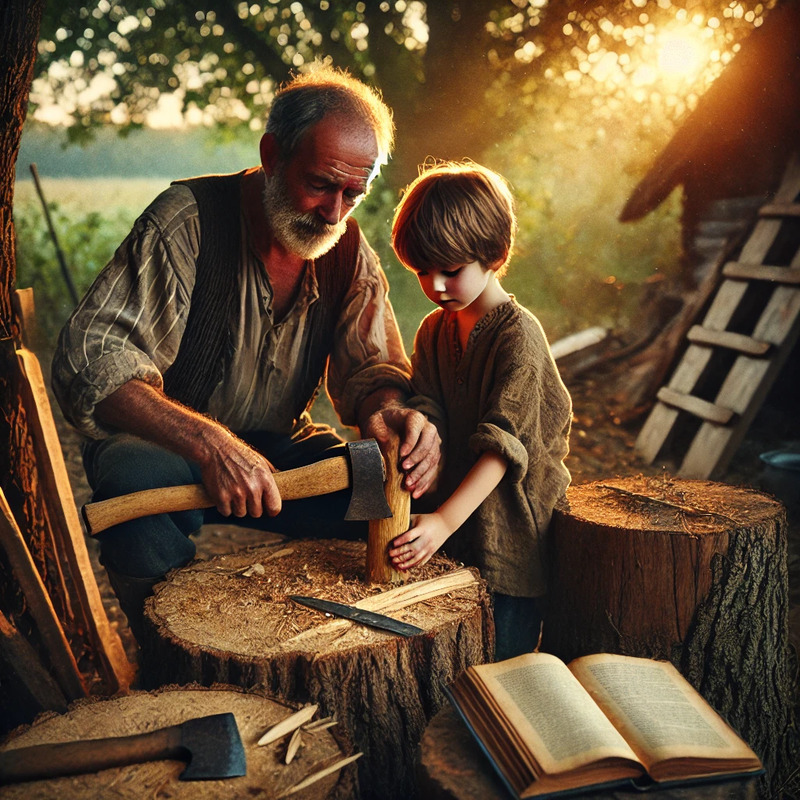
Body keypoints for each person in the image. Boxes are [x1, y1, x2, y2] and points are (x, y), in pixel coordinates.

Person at [52, 65, 440, 641]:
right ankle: (178, 655)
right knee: (133, 487)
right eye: (319, 184)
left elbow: (372, 366)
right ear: (271, 155)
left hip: (280, 454)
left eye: (353, 194)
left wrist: (387, 412)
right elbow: (93, 359)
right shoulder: (187, 221)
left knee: (386, 482)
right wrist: (210, 443)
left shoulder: (345, 248)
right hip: (171, 448)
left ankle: (331, 647)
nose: (334, 213)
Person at [387, 161, 572, 661]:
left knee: (501, 671)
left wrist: (443, 521)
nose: (437, 286)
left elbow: (501, 447)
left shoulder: (519, 337)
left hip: (512, 542)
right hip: (453, 534)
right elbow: (428, 402)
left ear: (495, 255)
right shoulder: (433, 329)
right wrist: (421, 446)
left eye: (451, 270)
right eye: (423, 271)